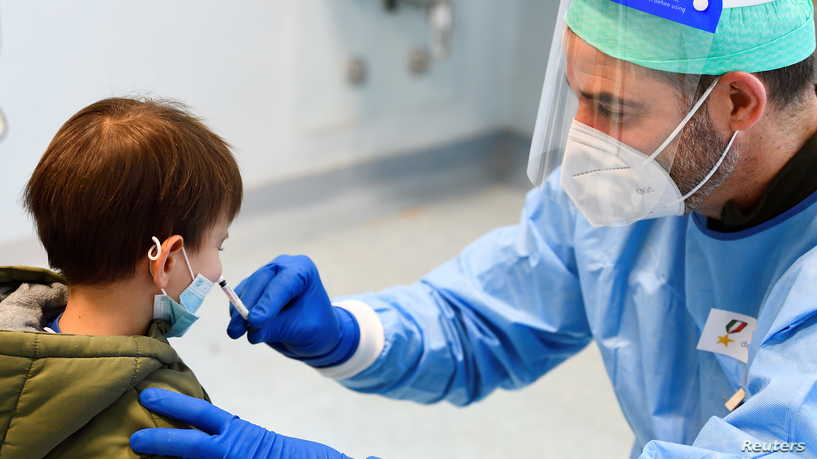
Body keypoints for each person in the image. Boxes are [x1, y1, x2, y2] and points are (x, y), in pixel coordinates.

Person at [131, 0, 817, 457]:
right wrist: (343, 332)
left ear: (734, 101)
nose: (586, 139)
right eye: (576, 97)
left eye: (611, 107)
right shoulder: (651, 180)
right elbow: (480, 316)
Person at [1, 98, 356, 459]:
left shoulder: (13, 335)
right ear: (167, 262)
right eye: (220, 245)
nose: (217, 271)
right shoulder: (159, 424)